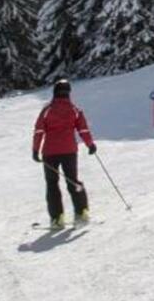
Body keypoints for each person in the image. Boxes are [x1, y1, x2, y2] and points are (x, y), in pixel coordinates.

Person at [31, 79, 97, 229]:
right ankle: (82, 212)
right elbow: (83, 130)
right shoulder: (75, 110)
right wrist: (90, 144)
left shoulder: (47, 110)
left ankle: (57, 218)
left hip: (50, 152)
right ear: (68, 93)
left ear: (54, 92)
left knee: (52, 184)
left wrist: (35, 150)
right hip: (69, 151)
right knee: (73, 181)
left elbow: (39, 131)